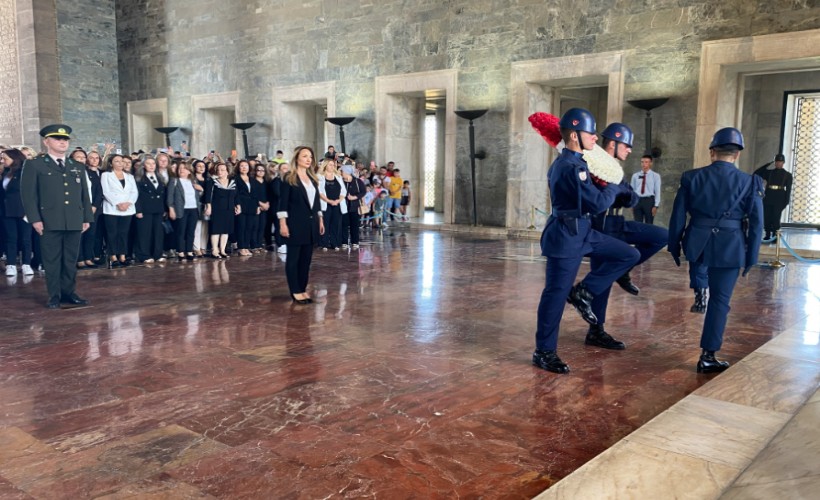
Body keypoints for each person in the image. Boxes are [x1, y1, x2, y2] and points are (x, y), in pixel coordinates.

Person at [532, 108, 639, 374]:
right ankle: (544, 352)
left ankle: (583, 292)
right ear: (573, 136)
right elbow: (598, 201)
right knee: (555, 296)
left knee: (628, 255)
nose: (594, 137)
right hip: (566, 235)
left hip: (584, 231)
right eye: (590, 132)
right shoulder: (570, 166)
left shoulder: (581, 164)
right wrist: (614, 183)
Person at [668, 127, 763, 373]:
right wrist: (751, 256)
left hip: (697, 241)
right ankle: (708, 355)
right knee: (720, 301)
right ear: (737, 154)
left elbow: (678, 215)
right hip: (730, 246)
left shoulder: (691, 177)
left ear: (712, 152)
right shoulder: (750, 181)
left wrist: (674, 245)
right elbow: (756, 224)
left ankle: (699, 298)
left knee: (701, 278)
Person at [586, 123, 669, 349]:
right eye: (627, 145)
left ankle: (622, 270)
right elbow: (601, 197)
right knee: (601, 284)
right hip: (601, 227)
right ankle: (596, 331)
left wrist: (623, 193)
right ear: (612, 143)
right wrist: (621, 192)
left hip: (618, 222)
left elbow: (631, 198)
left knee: (662, 235)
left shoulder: (613, 167)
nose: (630, 150)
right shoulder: (594, 163)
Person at [20, 124, 93, 308]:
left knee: (70, 260)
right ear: (46, 141)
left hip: (74, 220)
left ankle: (69, 293)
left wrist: (86, 217)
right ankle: (54, 295)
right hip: (49, 220)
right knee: (52, 260)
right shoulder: (35, 164)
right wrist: (35, 219)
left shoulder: (76, 165)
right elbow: (28, 195)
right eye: (57, 139)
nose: (62, 142)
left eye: (65, 139)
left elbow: (84, 195)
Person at [278, 146, 324, 304]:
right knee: (293, 259)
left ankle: (303, 289)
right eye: (305, 156)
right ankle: (295, 290)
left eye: (310, 156)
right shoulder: (289, 178)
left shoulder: (313, 179)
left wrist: (320, 219)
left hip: (311, 224)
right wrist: (283, 224)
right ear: (297, 158)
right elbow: (282, 204)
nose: (308, 159)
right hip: (294, 223)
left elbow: (316, 202)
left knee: (306, 259)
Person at [101, 154, 139, 268]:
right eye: (117, 161)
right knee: (112, 233)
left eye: (122, 161)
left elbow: (134, 192)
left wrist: (128, 203)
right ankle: (112, 256)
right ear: (111, 163)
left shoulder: (129, 176)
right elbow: (106, 191)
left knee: (123, 233)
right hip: (112, 208)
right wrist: (117, 203)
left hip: (127, 208)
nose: (120, 163)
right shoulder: (106, 175)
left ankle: (122, 256)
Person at [2, 149, 34, 276]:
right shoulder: (6, 173)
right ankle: (11, 265)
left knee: (26, 238)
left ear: (14, 159)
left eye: (5, 158)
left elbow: (31, 193)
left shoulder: (25, 173)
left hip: (23, 210)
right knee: (11, 238)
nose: (3, 161)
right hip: (7, 210)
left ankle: (26, 264)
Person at [134, 156, 167, 263]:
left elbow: (163, 195)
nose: (152, 166)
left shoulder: (160, 177)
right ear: (144, 166)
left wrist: (164, 209)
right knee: (144, 233)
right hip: (145, 209)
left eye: (153, 163)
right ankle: (144, 255)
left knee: (158, 233)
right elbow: (136, 196)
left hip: (158, 209)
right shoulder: (139, 179)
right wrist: (138, 210)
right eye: (149, 163)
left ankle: (157, 254)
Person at [754, 153, 792, 242]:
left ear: (783, 163)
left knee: (776, 217)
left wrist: (786, 201)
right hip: (769, 196)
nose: (779, 163)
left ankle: (775, 235)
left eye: (781, 162)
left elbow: (789, 189)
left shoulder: (787, 175)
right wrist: (769, 163)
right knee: (767, 217)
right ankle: (767, 234)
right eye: (777, 161)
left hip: (780, 197)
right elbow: (757, 172)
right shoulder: (769, 173)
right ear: (775, 162)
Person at [166, 161, 200, 261]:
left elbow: (197, 197)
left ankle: (189, 251)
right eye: (180, 168)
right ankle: (180, 252)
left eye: (184, 168)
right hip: (181, 209)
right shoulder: (174, 180)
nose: (181, 170)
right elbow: (170, 197)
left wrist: (201, 189)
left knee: (191, 231)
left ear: (189, 171)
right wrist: (171, 209)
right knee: (181, 231)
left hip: (193, 209)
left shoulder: (193, 181)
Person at [203, 162, 237, 259]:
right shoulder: (212, 182)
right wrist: (208, 206)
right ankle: (214, 250)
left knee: (226, 230)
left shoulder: (232, 182)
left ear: (227, 171)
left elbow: (236, 196)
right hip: (217, 209)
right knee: (216, 230)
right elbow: (208, 195)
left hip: (229, 209)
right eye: (218, 170)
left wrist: (237, 205)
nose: (220, 172)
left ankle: (222, 250)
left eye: (222, 170)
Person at [318, 159, 346, 250]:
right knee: (325, 223)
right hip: (325, 203)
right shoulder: (319, 176)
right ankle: (324, 243)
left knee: (335, 223)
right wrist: (329, 201)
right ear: (325, 165)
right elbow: (319, 191)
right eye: (330, 165)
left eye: (333, 165)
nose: (332, 166)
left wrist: (338, 200)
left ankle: (334, 243)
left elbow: (343, 190)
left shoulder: (338, 176)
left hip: (337, 203)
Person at [630, 154, 661, 224]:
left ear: (651, 163)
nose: (644, 164)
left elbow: (657, 191)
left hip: (649, 201)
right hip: (637, 200)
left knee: (649, 223)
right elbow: (632, 190)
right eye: (642, 162)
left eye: (646, 162)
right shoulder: (635, 176)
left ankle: (649, 235)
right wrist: (631, 203)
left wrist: (656, 205)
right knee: (637, 223)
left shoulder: (655, 176)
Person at [342, 165, 365, 249]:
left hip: (354, 206)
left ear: (347, 172)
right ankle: (344, 241)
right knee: (344, 224)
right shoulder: (341, 181)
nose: (341, 173)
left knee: (354, 225)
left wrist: (354, 197)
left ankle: (355, 241)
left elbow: (363, 191)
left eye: (343, 171)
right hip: (344, 206)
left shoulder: (357, 181)